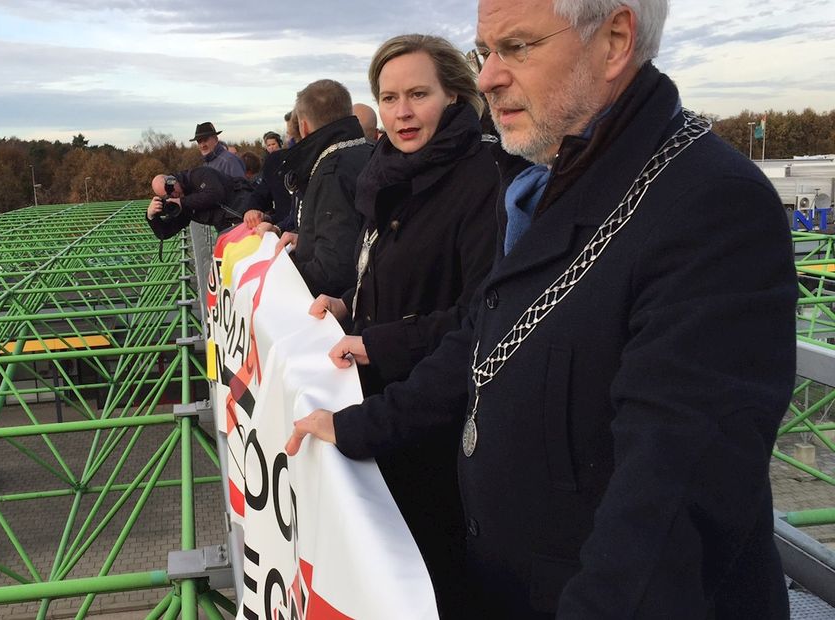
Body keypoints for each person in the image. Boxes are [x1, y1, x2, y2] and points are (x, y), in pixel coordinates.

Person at [287, 0, 796, 617]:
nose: (486, 78)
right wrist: (363, 425)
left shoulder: (713, 206)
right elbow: (488, 336)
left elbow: (669, 508)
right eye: (485, 51)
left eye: (517, 48)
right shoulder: (551, 177)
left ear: (613, 40)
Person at [307, 34, 499, 618]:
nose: (402, 111)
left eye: (419, 94)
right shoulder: (389, 173)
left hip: (441, 424)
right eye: (389, 98)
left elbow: (482, 316)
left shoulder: (481, 176)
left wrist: (377, 341)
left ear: (453, 96)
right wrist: (345, 303)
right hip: (389, 401)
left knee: (434, 575)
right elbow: (389, 270)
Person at [276, 80, 372, 297]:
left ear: (304, 126)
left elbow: (333, 269)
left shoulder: (331, 170)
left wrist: (281, 275)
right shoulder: (368, 150)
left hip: (337, 315)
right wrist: (304, 241)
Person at [144, 167, 246, 239]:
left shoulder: (199, 174)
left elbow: (216, 194)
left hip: (247, 213)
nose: (173, 194)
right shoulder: (180, 203)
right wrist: (151, 216)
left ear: (172, 180)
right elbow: (165, 232)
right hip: (232, 230)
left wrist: (182, 202)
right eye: (167, 196)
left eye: (170, 189)